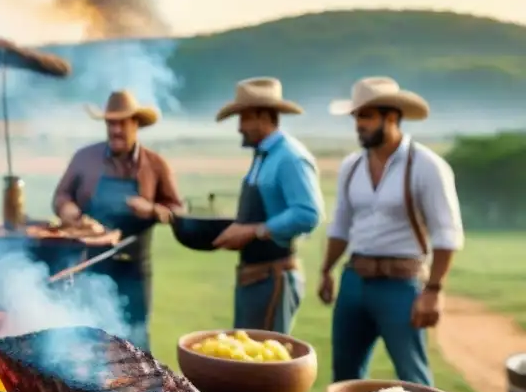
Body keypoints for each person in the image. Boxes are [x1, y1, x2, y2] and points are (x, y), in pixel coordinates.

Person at [319, 77, 464, 386]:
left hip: (401, 284)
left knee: (413, 377)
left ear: (393, 117)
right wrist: (326, 270)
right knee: (344, 378)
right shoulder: (351, 166)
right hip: (354, 280)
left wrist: (434, 291)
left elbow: (447, 234)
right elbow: (340, 226)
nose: (359, 124)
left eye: (367, 116)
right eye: (357, 116)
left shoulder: (427, 166)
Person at [52, 90, 183, 351]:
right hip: (91, 266)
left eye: (122, 123)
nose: (115, 130)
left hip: (135, 269)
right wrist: (71, 212)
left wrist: (153, 210)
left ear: (136, 124)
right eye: (110, 123)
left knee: (137, 343)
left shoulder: (155, 164)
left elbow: (177, 210)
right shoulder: (84, 158)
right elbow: (60, 196)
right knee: (91, 342)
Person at [211, 78, 323, 333]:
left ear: (263, 116)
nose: (240, 128)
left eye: (244, 119)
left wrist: (253, 231)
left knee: (266, 365)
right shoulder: (264, 155)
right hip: (253, 277)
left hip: (273, 278)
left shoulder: (290, 157)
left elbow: (309, 213)